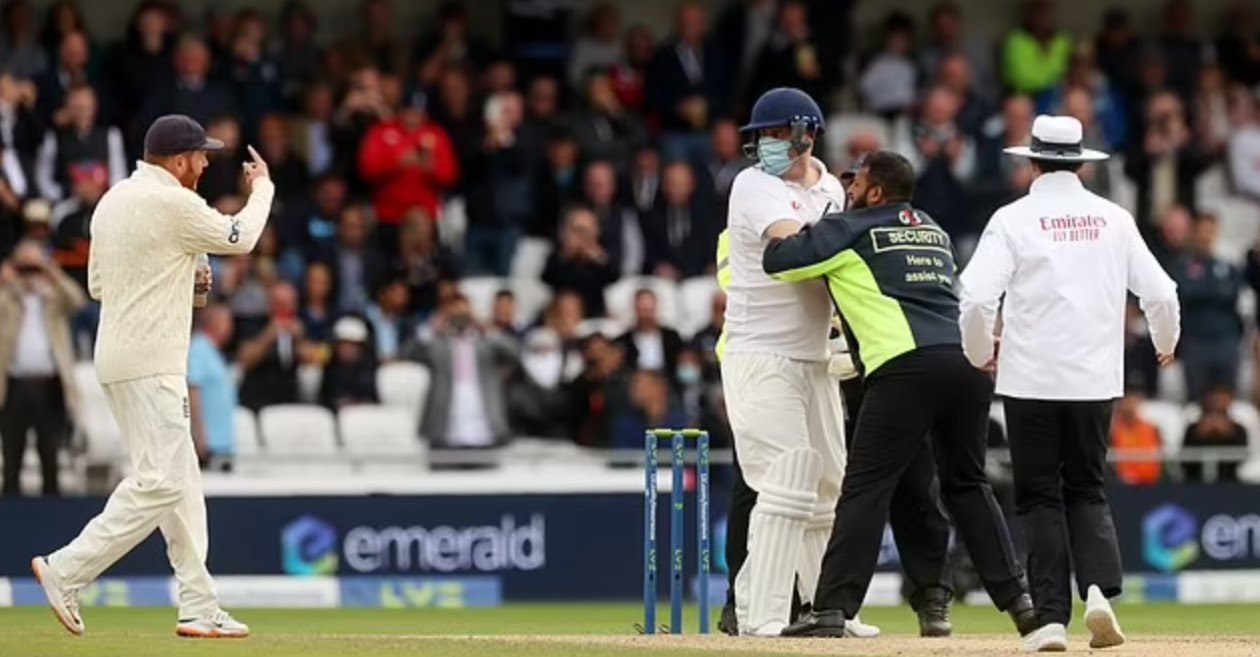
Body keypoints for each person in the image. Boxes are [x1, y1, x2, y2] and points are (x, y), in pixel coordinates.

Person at [765, 151, 1036, 645]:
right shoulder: (932, 228)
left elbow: (778, 261)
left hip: (905, 367)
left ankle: (830, 610)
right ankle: (1021, 602)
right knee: (967, 485)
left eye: (857, 181)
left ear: (874, 192)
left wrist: (814, 224)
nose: (848, 189)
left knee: (866, 488)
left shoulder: (850, 227)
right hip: (968, 365)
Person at [32, 114, 273, 638]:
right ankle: (66, 570)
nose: (206, 164)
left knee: (180, 483)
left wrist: (184, 275)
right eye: (201, 156)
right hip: (153, 361)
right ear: (180, 159)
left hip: (116, 357)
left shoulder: (113, 200)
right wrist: (263, 189)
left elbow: (99, 285)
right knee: (162, 481)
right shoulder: (173, 202)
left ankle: (198, 604)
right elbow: (242, 236)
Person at [958, 116, 1180, 651]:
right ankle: (1099, 593)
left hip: (1031, 378)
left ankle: (1052, 620)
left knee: (1038, 496)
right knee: (1088, 488)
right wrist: (1164, 342)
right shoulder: (1113, 218)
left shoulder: (1012, 218)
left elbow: (975, 299)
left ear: (1030, 162)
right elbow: (1162, 294)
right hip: (1094, 380)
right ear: (1082, 163)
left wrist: (978, 350)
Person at [719, 87, 850, 637]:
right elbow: (796, 251)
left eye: (776, 135)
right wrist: (855, 239)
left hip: (815, 356)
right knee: (785, 482)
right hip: (760, 352)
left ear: (806, 135)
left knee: (826, 484)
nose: (766, 146)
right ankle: (761, 615)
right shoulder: (753, 184)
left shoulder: (833, 188)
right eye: (762, 136)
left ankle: (826, 609)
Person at [0, 239, 84, 496]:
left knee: (50, 455)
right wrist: (9, 281)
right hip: (14, 387)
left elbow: (78, 301)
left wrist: (51, 273)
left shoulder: (54, 299)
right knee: (12, 457)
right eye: (25, 267)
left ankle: (50, 517)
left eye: (34, 267)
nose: (30, 274)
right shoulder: (8, 299)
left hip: (49, 386)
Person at [187, 303, 237, 472]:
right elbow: (193, 390)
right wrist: (199, 435)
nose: (231, 327)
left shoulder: (213, 351)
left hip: (222, 444)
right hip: (208, 445)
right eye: (227, 322)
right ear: (213, 323)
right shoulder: (199, 349)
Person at [1182, 386, 1249, 483]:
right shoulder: (1193, 428)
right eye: (1214, 398)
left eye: (1222, 398)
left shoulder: (1238, 429)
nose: (1217, 402)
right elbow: (1185, 460)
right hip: (1195, 481)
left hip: (1231, 481)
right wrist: (1199, 435)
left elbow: (1243, 457)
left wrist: (1228, 434)